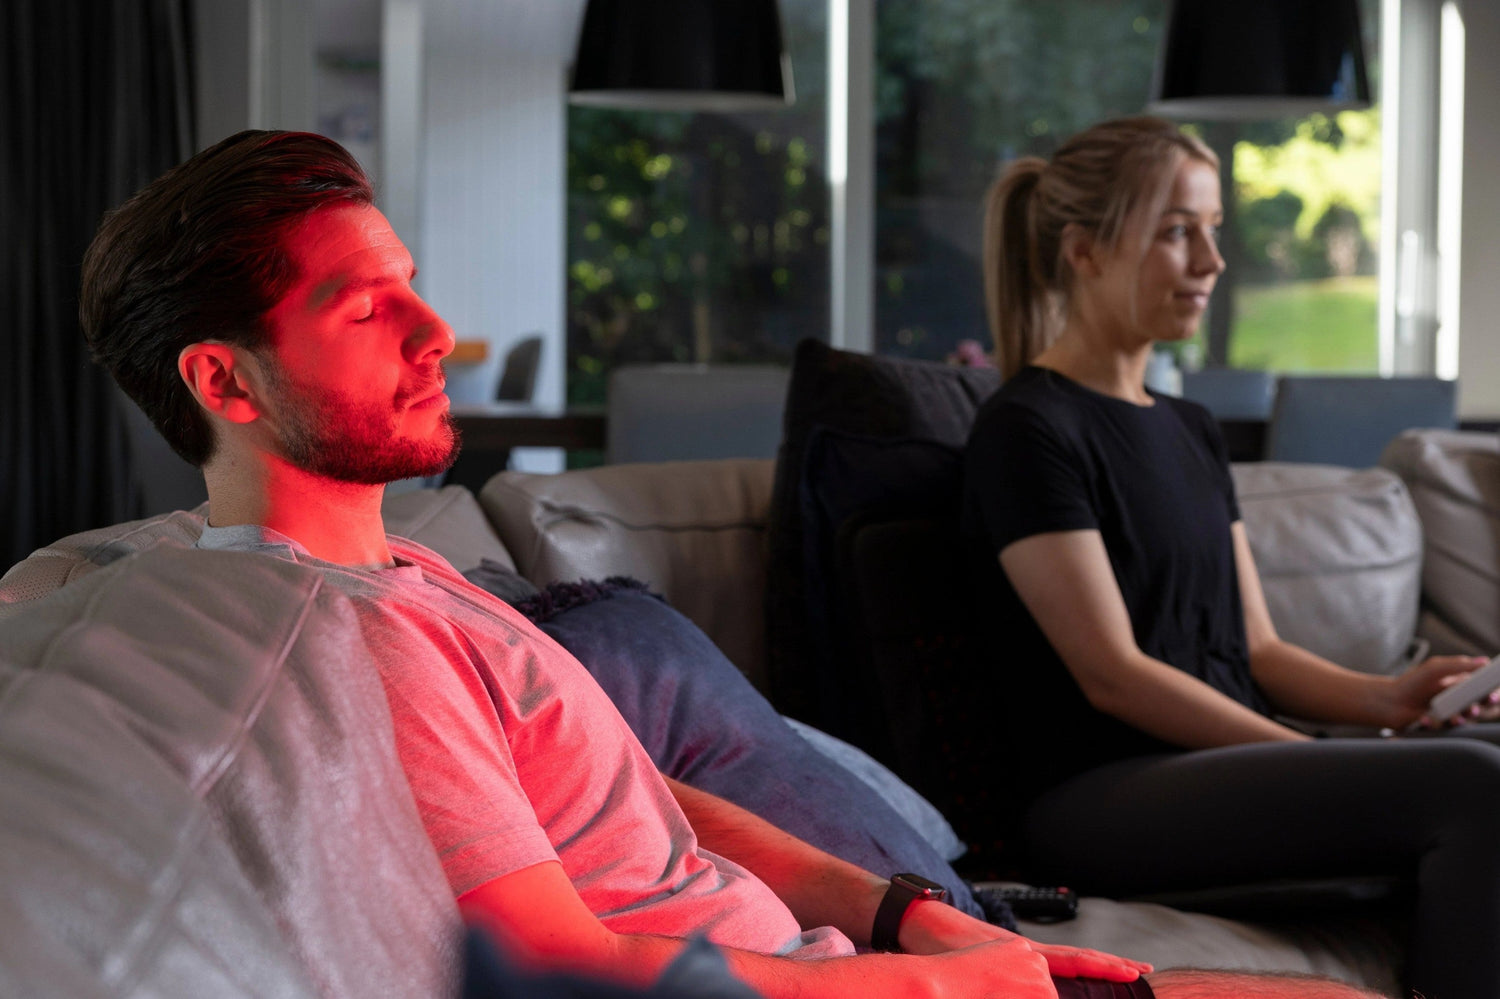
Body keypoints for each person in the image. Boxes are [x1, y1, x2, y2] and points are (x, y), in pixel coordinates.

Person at [77, 128, 1382, 999]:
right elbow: (555, 955)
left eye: (410, 283)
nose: (435, 330)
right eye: (369, 309)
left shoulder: (429, 583)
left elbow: (651, 794)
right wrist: (929, 982)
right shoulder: (337, 630)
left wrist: (908, 917)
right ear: (224, 381)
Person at [965, 114, 1500, 999]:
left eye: (1212, 230)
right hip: (1106, 792)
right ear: (1084, 251)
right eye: (1178, 232)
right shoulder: (1027, 429)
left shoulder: (1189, 427)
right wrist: (1313, 755)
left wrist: (1390, 701)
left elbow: (1259, 649)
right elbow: (1114, 674)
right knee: (1476, 782)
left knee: (1488, 745)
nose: (1212, 261)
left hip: (1218, 771)